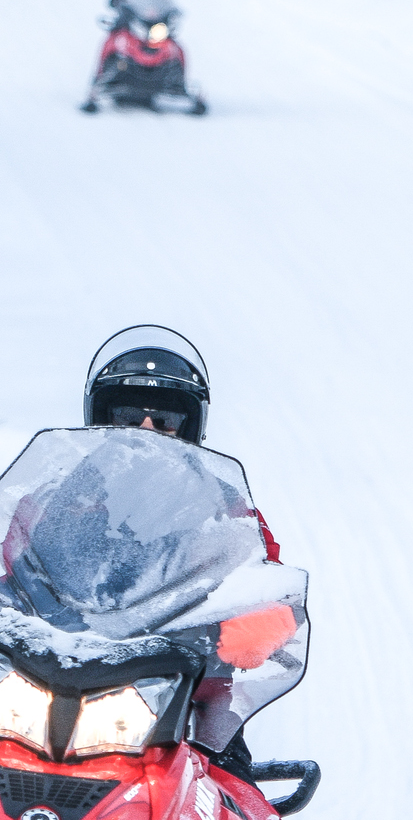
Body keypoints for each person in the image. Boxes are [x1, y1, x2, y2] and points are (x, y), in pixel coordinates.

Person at [84, 325, 281, 781]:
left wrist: (257, 622)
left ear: (188, 428)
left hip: (183, 680)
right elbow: (11, 552)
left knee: (237, 798)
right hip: (57, 665)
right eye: (130, 417)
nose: (147, 430)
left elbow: (266, 575)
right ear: (103, 419)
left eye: (165, 421)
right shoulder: (65, 488)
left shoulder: (223, 502)